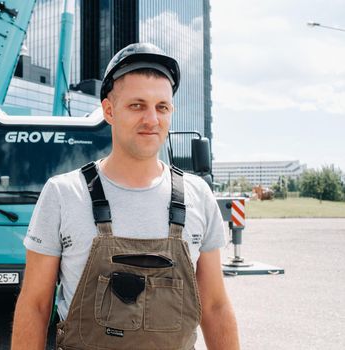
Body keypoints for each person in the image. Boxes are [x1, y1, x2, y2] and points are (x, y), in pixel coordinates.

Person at [12, 43, 239, 350]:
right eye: (137, 105)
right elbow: (35, 305)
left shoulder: (197, 195)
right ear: (109, 110)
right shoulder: (63, 193)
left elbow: (214, 307)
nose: (152, 119)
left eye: (162, 107)